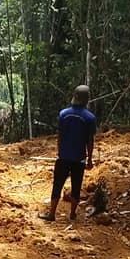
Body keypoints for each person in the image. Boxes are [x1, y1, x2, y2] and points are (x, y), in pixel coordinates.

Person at [41, 84, 96, 222]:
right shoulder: (90, 118)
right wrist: (89, 159)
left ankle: (52, 214)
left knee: (57, 185)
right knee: (76, 186)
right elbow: (90, 141)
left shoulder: (63, 114)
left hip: (64, 157)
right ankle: (72, 214)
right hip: (79, 158)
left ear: (74, 97)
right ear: (87, 99)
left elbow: (59, 136)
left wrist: (60, 151)